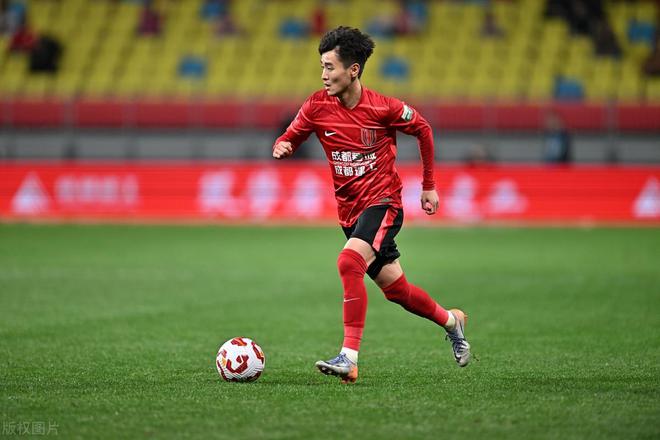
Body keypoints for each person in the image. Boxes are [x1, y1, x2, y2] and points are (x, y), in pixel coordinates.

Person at [272, 26, 471, 384]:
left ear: (353, 70)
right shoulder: (316, 105)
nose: (323, 75)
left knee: (348, 262)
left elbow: (423, 129)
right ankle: (452, 321)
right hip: (349, 212)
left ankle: (349, 358)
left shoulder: (383, 108)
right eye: (321, 67)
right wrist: (283, 145)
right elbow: (291, 134)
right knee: (397, 290)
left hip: (383, 203)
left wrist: (428, 186)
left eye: (330, 67)